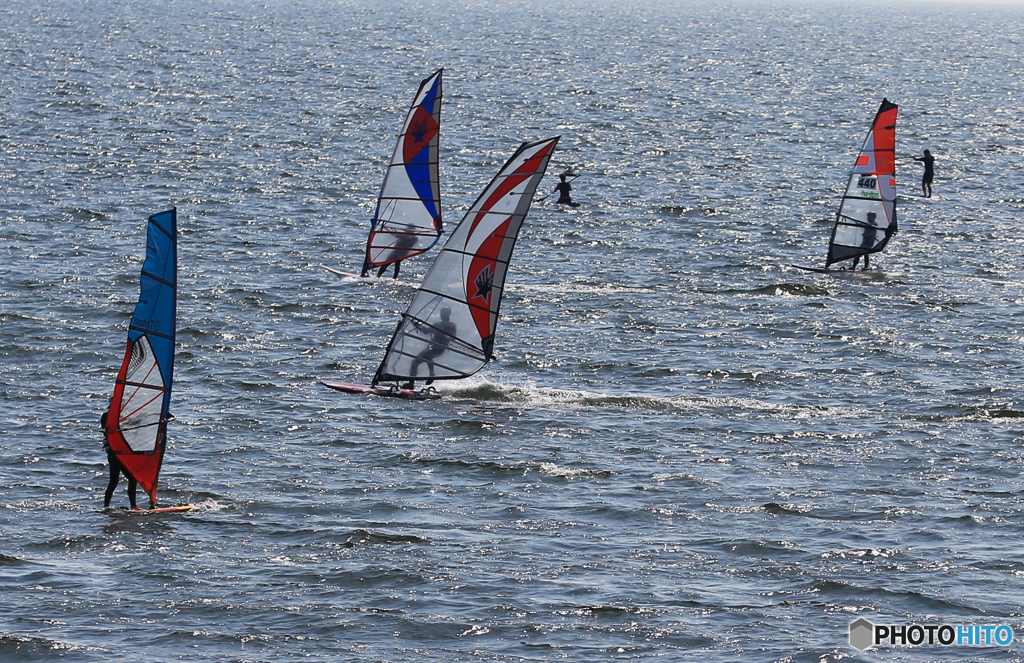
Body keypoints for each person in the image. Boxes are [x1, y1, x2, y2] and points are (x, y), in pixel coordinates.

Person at [401, 305, 457, 390]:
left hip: (440, 348)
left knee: (425, 357)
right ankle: (414, 382)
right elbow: (426, 331)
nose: (443, 315)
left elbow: (453, 338)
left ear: (448, 314)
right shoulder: (437, 324)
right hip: (431, 347)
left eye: (445, 313)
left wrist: (445, 336)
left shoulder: (451, 325)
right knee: (416, 362)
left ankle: (430, 375)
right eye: (442, 313)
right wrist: (412, 322)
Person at [101, 411, 138, 510]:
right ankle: (133, 506)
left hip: (117, 453)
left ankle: (106, 506)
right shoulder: (107, 416)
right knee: (131, 479)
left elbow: (135, 421)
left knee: (114, 481)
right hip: (115, 453)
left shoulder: (118, 417)